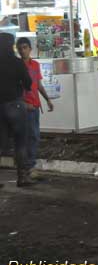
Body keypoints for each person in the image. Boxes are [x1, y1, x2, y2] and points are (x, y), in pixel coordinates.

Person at [18, 37, 54, 180]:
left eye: (25, 47)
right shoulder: (17, 66)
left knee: (34, 136)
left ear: (30, 49)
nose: (23, 51)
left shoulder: (35, 65)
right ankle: (29, 167)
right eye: (20, 48)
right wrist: (23, 103)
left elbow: (38, 85)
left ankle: (28, 166)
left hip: (35, 105)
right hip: (24, 106)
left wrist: (47, 99)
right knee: (30, 136)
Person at [0, 32, 32, 187]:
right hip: (15, 105)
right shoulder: (17, 63)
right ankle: (23, 177)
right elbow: (28, 83)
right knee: (20, 142)